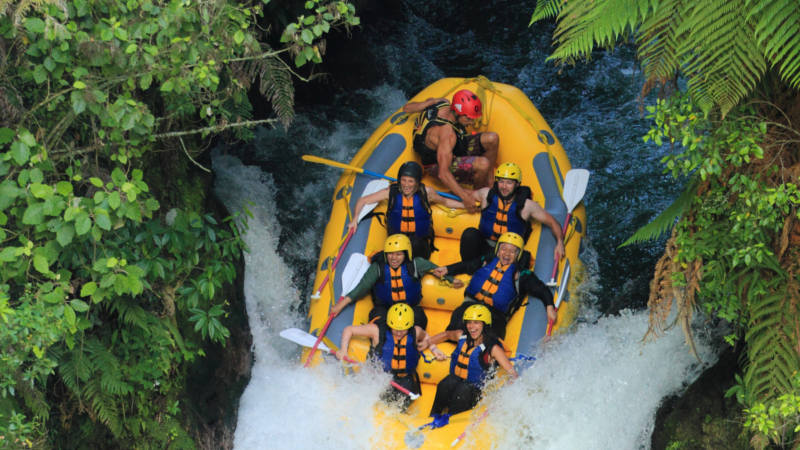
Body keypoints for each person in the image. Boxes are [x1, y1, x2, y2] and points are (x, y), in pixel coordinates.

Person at [431, 232, 556, 340]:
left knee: (485, 338)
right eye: (503, 249)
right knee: (458, 323)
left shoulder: (521, 275)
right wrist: (448, 269)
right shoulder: (487, 260)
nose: (507, 254)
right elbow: (468, 265)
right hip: (470, 305)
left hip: (495, 315)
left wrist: (549, 306)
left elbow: (541, 289)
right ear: (497, 250)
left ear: (518, 255)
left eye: (513, 251)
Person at [330, 234, 461, 329]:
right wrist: (341, 305)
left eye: (399, 254)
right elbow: (363, 286)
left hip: (410, 308)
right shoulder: (378, 267)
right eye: (391, 254)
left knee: (419, 321)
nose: (394, 258)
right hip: (384, 308)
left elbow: (436, 270)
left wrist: (451, 280)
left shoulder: (416, 264)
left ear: (406, 254)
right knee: (377, 326)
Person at [403, 89, 499, 213]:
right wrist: (465, 198)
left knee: (493, 138)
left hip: (453, 146)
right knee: (483, 164)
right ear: (459, 113)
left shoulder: (441, 103)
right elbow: (443, 173)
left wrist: (430, 102)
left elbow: (407, 108)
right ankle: (479, 193)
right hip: (435, 164)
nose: (472, 122)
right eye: (469, 119)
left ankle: (490, 184)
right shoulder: (447, 134)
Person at [335, 304, 444, 410]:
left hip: (404, 379)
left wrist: (434, 349)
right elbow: (349, 330)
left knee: (399, 406)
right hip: (380, 376)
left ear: (409, 326)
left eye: (403, 330)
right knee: (374, 402)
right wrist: (343, 350)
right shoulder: (377, 331)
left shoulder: (416, 331)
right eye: (395, 329)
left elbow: (425, 336)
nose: (398, 333)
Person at [348, 161, 464, 259]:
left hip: (419, 242)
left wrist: (465, 205)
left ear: (417, 183)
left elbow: (446, 202)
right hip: (397, 241)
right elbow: (363, 200)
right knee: (386, 258)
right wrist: (355, 218)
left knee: (413, 247)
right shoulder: (391, 192)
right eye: (403, 180)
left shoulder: (427, 193)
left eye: (410, 181)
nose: (406, 185)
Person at [460, 162, 565, 264]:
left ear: (517, 184)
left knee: (524, 258)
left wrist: (560, 242)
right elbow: (466, 196)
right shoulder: (486, 194)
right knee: (470, 234)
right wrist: (445, 197)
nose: (504, 186)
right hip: (485, 243)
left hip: (508, 251)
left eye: (509, 183)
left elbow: (553, 223)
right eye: (501, 181)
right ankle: (469, 268)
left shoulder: (528, 206)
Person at [429, 304, 517, 417]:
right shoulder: (462, 336)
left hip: (472, 390)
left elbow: (513, 374)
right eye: (469, 322)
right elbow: (446, 334)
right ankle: (433, 416)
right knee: (445, 383)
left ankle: (452, 420)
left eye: (476, 322)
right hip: (456, 381)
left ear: (484, 325)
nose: (471, 326)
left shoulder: (493, 348)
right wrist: (427, 343)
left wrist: (503, 394)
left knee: (463, 391)